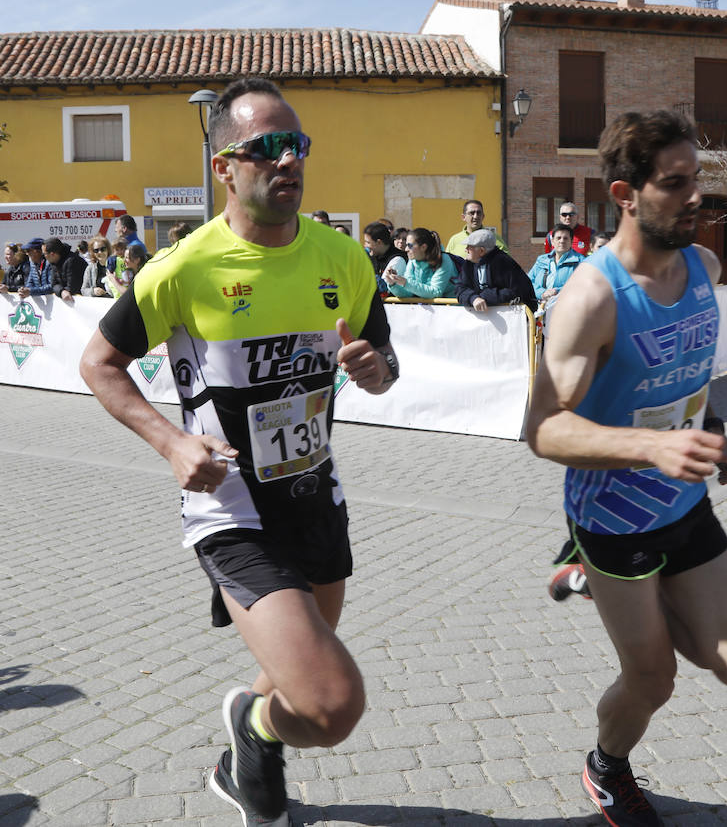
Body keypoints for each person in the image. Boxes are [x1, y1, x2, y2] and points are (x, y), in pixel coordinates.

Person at [80, 77, 399, 827]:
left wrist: (376, 371)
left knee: (294, 670)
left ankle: (245, 750)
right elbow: (98, 362)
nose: (286, 161)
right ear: (225, 165)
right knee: (330, 704)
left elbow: (383, 364)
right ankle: (256, 729)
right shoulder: (183, 268)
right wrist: (169, 442)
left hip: (316, 496)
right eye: (264, 148)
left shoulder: (341, 257)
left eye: (297, 146)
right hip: (231, 507)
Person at [526, 109, 727, 827]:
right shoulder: (591, 298)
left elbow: (686, 373)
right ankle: (607, 769)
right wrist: (652, 448)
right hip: (613, 516)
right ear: (627, 193)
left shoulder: (705, 266)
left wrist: (711, 430)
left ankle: (598, 584)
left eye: (698, 179)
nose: (697, 196)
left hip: (684, 506)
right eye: (677, 183)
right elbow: (540, 429)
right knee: (653, 677)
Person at [456, 228, 536, 312]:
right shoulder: (469, 264)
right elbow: (460, 288)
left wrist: (484, 297)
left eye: (469, 246)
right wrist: (473, 298)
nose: (466, 249)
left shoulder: (504, 263)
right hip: (483, 318)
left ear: (481, 251)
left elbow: (517, 292)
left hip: (513, 318)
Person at [384, 228, 458, 299]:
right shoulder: (412, 261)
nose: (406, 249)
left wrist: (406, 283)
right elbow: (408, 293)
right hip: (428, 308)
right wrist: (393, 283)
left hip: (452, 308)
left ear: (423, 247)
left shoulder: (443, 259)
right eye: (406, 245)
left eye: (410, 245)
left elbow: (436, 292)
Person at [527, 224, 585, 305]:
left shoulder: (581, 261)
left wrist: (557, 292)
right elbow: (528, 282)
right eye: (558, 238)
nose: (562, 241)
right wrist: (542, 293)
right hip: (539, 308)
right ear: (552, 241)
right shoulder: (541, 260)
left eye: (565, 238)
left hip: (566, 308)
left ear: (571, 242)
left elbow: (582, 285)